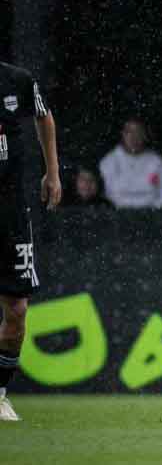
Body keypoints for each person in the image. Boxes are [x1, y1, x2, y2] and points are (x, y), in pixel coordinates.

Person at [0, 61, 62, 422]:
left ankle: (1, 391)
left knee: (18, 310)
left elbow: (44, 116)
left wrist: (52, 172)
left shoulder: (16, 80)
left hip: (9, 210)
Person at [99, 118, 162, 209]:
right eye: (129, 131)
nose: (133, 136)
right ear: (123, 134)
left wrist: (156, 208)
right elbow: (104, 193)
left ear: (144, 135)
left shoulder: (156, 160)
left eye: (138, 132)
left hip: (151, 214)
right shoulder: (109, 161)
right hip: (118, 214)